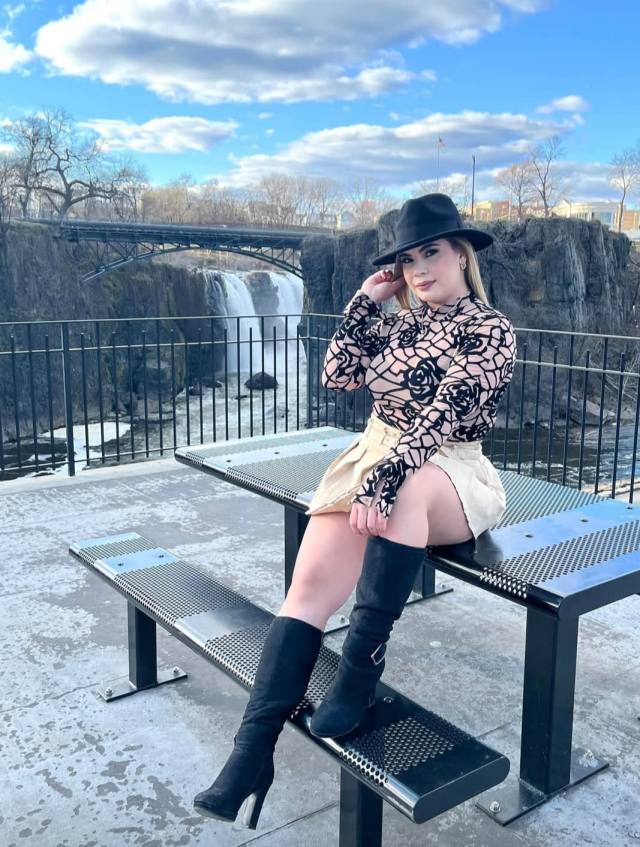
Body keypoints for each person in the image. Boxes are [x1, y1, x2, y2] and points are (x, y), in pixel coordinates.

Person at [193, 192, 518, 828]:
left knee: (409, 487)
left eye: (431, 253)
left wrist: (387, 480)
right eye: (408, 260)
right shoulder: (397, 322)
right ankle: (250, 754)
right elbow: (338, 376)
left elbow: (443, 415)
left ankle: (359, 676)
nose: (419, 270)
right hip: (375, 454)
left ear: (461, 253)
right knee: (307, 592)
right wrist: (366, 302)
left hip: (451, 471)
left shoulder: (491, 330)